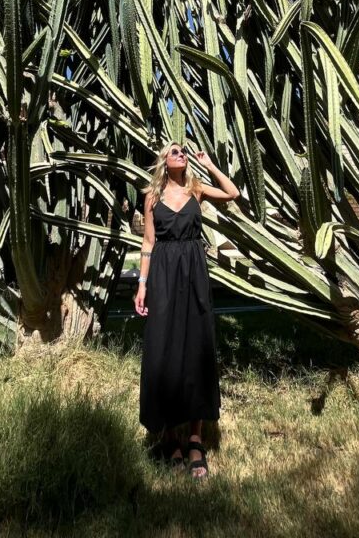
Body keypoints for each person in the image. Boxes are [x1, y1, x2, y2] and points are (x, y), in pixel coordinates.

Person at [134, 141, 240, 479]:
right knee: (162, 351)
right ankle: (169, 436)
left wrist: (208, 163)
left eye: (183, 152)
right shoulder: (152, 197)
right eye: (174, 151)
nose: (180, 154)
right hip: (163, 272)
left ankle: (195, 441)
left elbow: (233, 193)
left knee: (196, 348)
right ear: (165, 160)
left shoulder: (197, 191)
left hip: (194, 271)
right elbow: (148, 242)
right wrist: (141, 284)